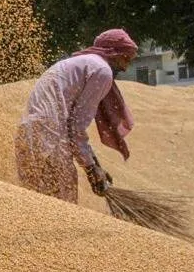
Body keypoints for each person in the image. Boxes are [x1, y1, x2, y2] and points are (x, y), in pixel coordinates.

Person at [15, 29, 138, 204]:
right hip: (50, 138)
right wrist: (90, 169)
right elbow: (76, 127)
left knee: (35, 205)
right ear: (113, 52)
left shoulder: (82, 64)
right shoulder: (102, 70)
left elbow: (71, 125)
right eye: (125, 58)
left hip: (30, 135)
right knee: (63, 207)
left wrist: (95, 166)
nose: (126, 67)